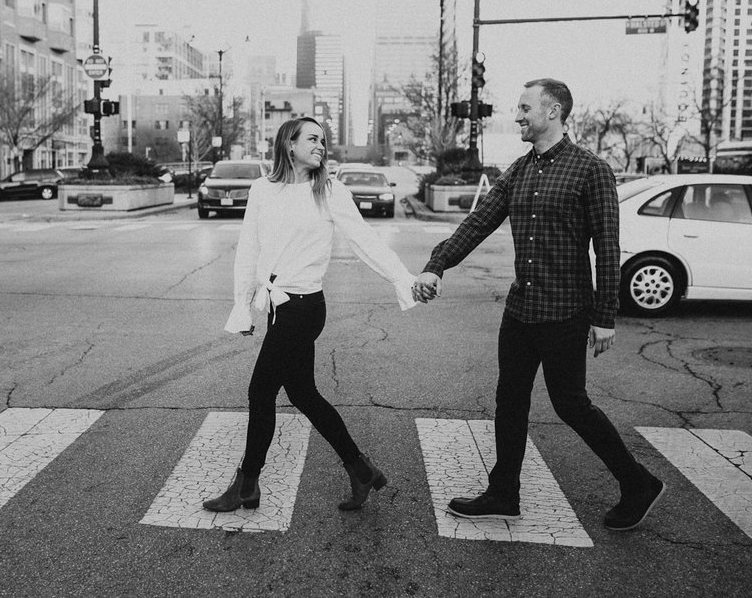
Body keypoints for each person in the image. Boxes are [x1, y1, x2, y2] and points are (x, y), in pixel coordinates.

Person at [412, 79, 664, 531]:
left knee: (571, 405)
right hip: (521, 310)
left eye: (526, 108)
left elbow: (608, 247)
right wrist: (437, 264)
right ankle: (504, 494)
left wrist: (604, 316)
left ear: (554, 111)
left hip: (566, 312)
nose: (519, 116)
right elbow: (479, 222)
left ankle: (637, 483)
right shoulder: (519, 170)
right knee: (509, 401)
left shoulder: (592, 170)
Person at [204, 116, 419, 513]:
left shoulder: (330, 191)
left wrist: (403, 279)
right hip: (277, 307)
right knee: (303, 394)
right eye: (313, 139)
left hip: (304, 308)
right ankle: (360, 469)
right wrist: (243, 306)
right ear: (289, 144)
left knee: (260, 392)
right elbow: (248, 250)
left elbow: (365, 241)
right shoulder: (262, 190)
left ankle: (246, 485)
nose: (321, 145)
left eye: (324, 140)